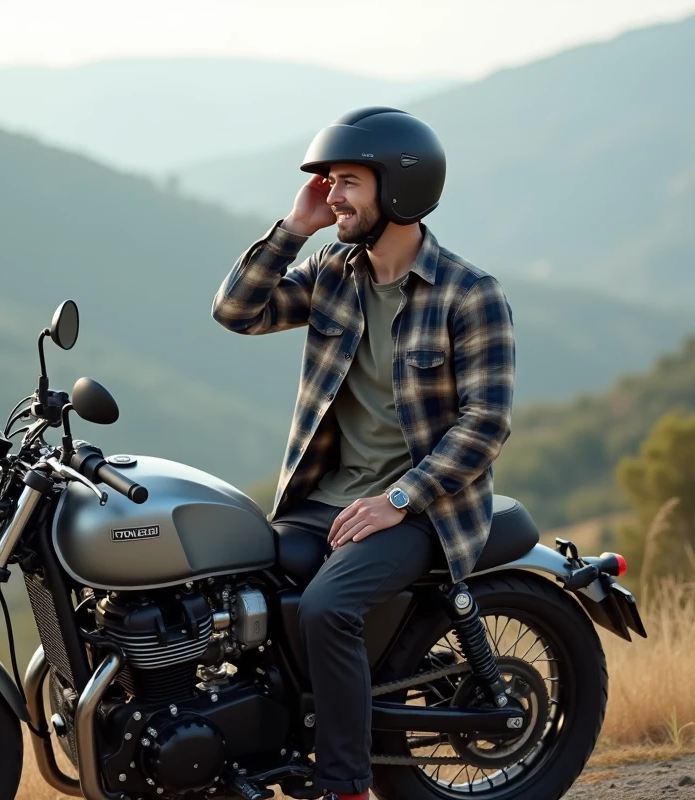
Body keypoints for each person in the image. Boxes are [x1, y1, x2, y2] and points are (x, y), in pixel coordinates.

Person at [211, 107, 516, 800]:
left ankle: (344, 784)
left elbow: (486, 424)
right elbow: (236, 312)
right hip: (322, 502)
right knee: (233, 589)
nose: (333, 195)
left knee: (327, 609)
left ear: (400, 189)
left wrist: (398, 499)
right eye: (328, 181)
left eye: (347, 181)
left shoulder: (470, 295)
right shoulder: (333, 272)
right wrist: (295, 227)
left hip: (425, 511)